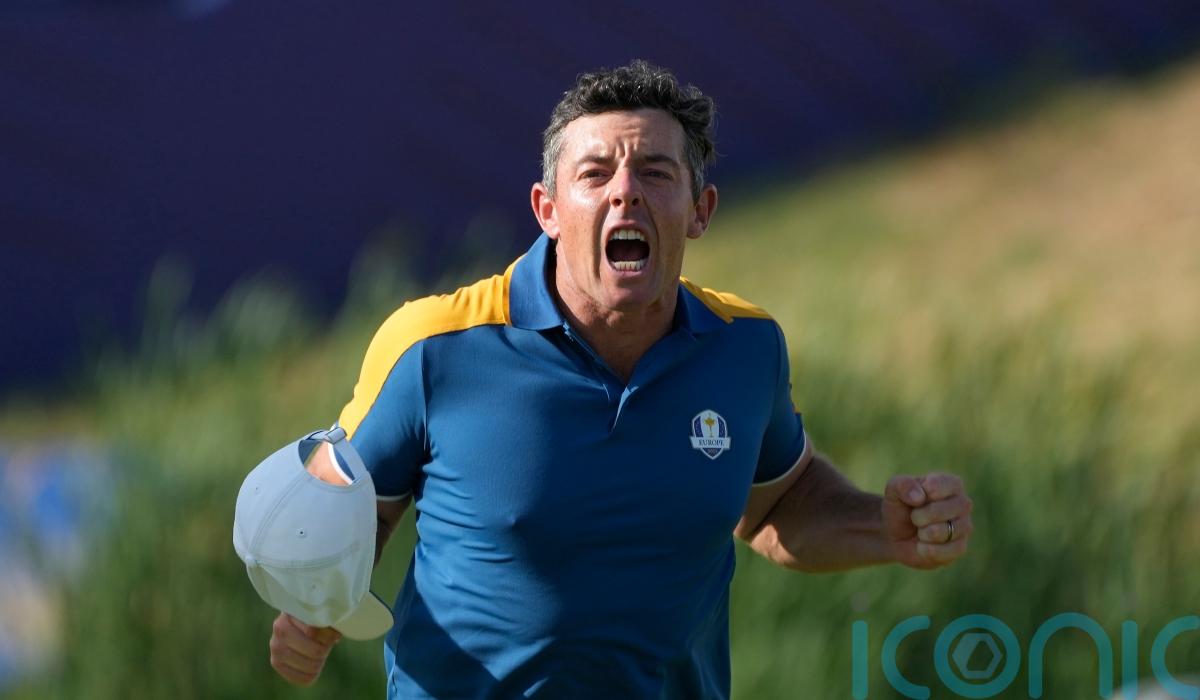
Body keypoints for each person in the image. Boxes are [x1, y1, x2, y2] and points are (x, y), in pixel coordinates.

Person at [265, 60, 974, 698]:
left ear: (700, 211)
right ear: (547, 211)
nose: (625, 193)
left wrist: (883, 527)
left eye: (656, 173)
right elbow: (338, 512)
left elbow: (778, 505)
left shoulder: (746, 347)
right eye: (595, 173)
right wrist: (312, 608)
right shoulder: (434, 346)